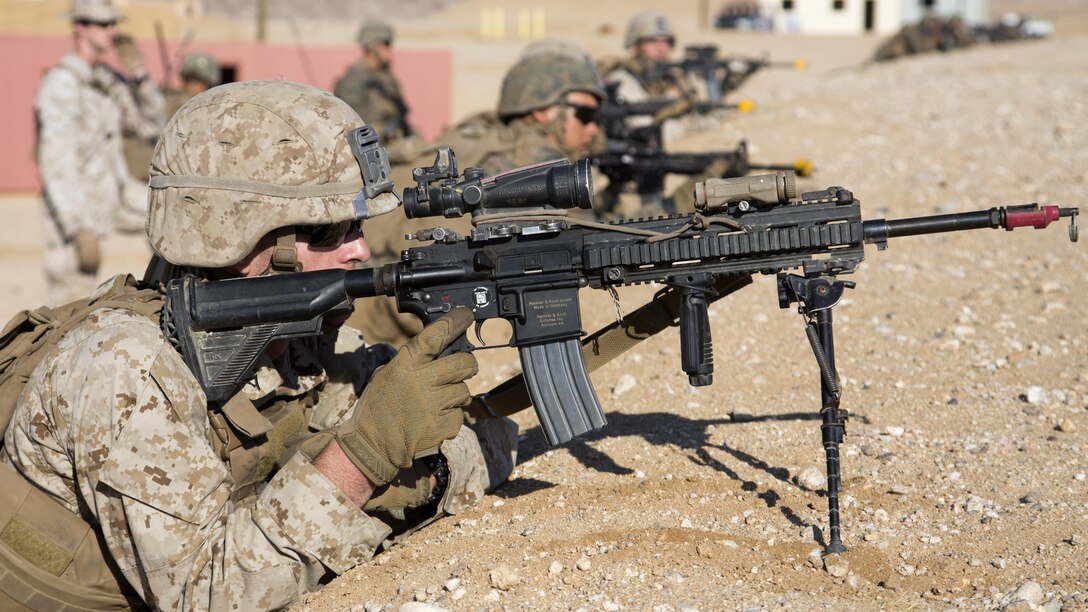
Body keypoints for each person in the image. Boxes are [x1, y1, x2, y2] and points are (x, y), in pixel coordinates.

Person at [2, 80, 517, 610]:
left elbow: (490, 444)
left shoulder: (297, 346)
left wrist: (425, 476)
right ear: (234, 238)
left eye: (356, 226)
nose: (359, 248)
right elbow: (210, 595)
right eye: (326, 233)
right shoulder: (123, 368)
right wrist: (364, 462)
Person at [349, 44, 605, 347]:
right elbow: (435, 274)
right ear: (542, 111)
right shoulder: (504, 168)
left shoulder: (500, 150)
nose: (593, 129)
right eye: (585, 115)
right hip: (366, 321)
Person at [34, 0, 164, 305]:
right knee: (69, 308)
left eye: (113, 24)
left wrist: (140, 74)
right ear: (80, 27)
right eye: (103, 24)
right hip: (75, 209)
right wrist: (77, 226)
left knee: (165, 214)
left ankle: (170, 301)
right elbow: (56, 164)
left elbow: (151, 124)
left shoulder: (107, 80)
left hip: (113, 196)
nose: (112, 31)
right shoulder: (61, 85)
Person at [334, 19, 413, 145]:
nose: (390, 49)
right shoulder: (355, 79)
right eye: (386, 44)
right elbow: (351, 124)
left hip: (394, 141)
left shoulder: (385, 76)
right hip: (373, 146)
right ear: (372, 46)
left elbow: (402, 114)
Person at [165, 50, 222, 117]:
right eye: (188, 80)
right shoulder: (173, 101)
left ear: (208, 84)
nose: (190, 86)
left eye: (196, 81)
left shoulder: (216, 108)